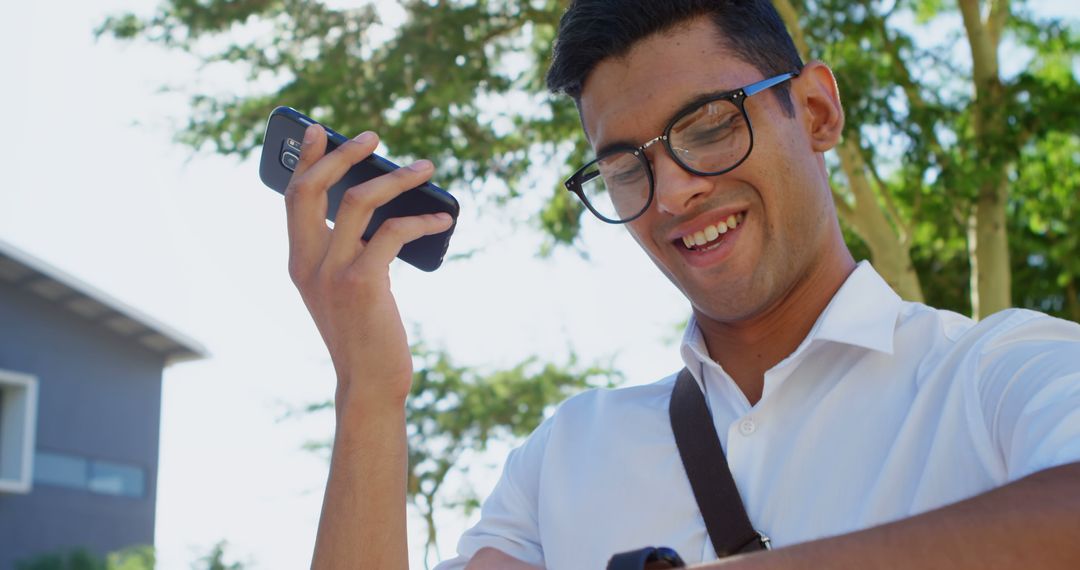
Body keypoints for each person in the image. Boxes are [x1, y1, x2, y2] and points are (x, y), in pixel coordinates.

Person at [286, 1, 1080, 568]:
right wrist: (369, 389)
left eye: (710, 126)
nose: (671, 195)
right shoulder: (564, 457)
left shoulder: (993, 374)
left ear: (814, 111)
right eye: (626, 167)